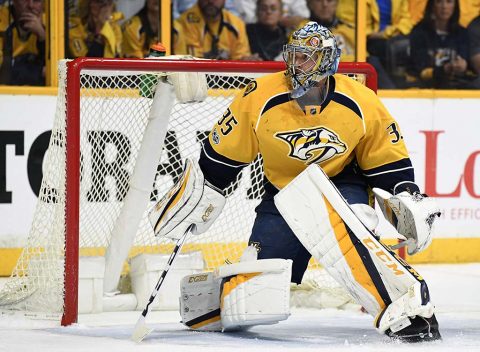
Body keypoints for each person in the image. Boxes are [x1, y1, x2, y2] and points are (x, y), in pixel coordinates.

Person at [171, 21, 441, 341]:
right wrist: (205, 188)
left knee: (354, 223)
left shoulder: (361, 100)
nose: (296, 65)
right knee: (257, 283)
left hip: (342, 185)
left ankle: (410, 304)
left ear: (327, 62)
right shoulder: (259, 96)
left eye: (307, 58)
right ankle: (215, 300)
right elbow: (224, 154)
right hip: (284, 195)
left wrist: (406, 190)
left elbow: (386, 155)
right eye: (295, 56)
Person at [408, 0, 470, 89]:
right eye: (439, 2)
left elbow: (466, 61)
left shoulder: (462, 33)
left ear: (455, 6)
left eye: (449, 2)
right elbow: (421, 71)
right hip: (424, 88)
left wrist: (463, 65)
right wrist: (444, 70)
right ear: (432, 6)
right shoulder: (419, 33)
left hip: (456, 87)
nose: (444, 6)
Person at [173, 0, 252, 59]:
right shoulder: (183, 23)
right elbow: (193, 63)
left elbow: (240, 60)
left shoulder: (237, 24)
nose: (210, 1)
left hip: (228, 79)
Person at [0, 0, 46, 86]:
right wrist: (39, 71)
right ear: (13, 1)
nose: (31, 5)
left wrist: (42, 37)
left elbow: (63, 70)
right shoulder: (2, 20)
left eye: (37, 0)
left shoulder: (53, 22)